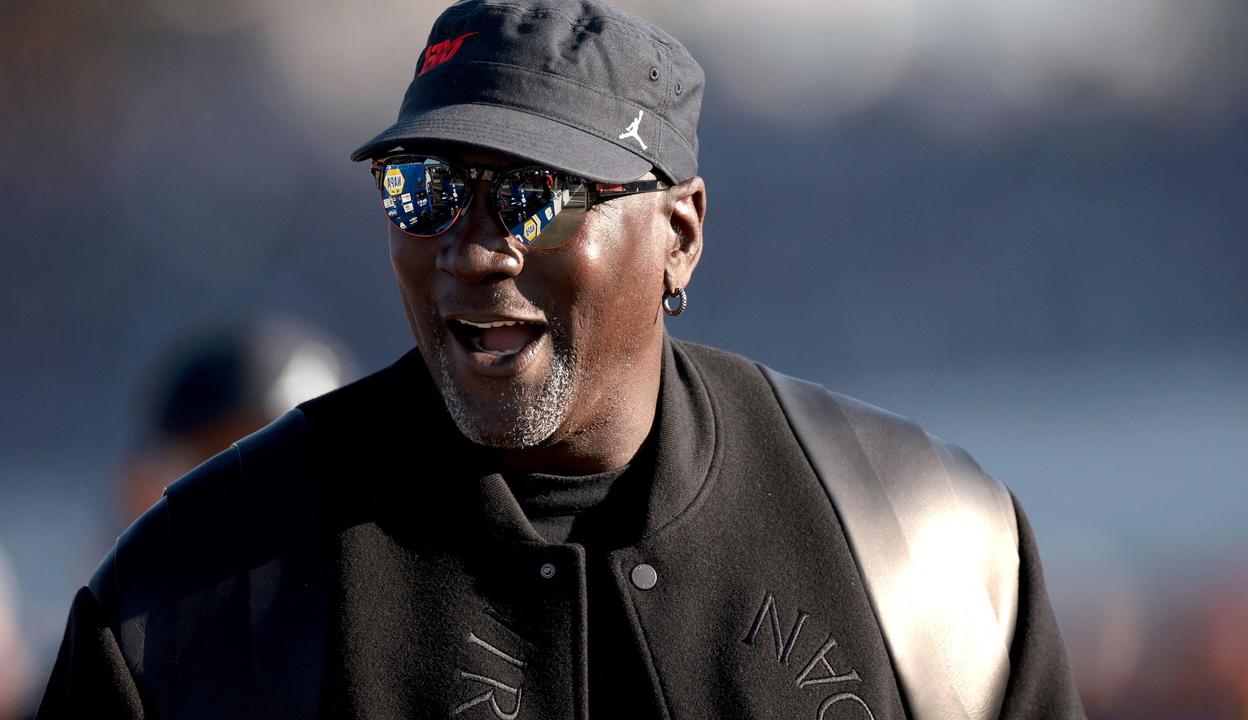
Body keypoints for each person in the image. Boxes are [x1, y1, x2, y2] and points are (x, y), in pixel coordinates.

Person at [38, 1, 1084, 718]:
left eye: (532, 196)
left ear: (678, 233)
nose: (471, 247)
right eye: (426, 190)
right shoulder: (191, 601)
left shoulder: (922, 542)